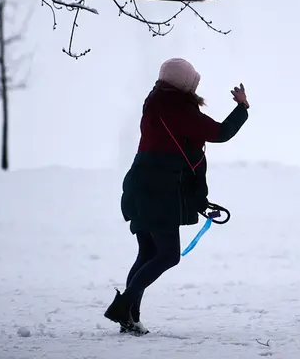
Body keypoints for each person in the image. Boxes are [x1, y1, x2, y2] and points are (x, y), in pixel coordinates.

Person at [104, 58, 250, 335]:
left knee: (147, 252)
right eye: (193, 81)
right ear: (184, 84)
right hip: (159, 190)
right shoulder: (178, 109)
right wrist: (242, 107)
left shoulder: (155, 100)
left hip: (140, 184)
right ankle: (124, 307)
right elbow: (220, 132)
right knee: (168, 255)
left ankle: (130, 318)